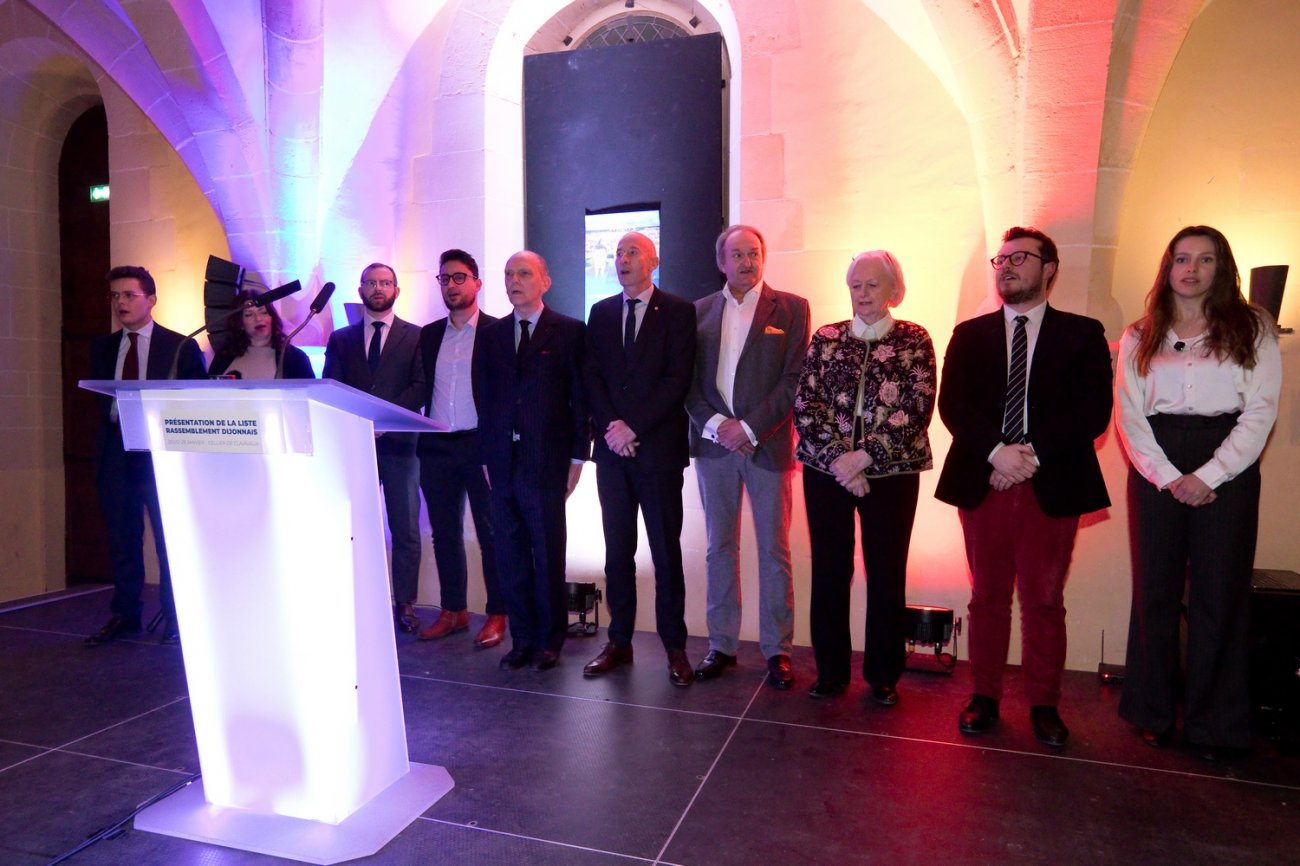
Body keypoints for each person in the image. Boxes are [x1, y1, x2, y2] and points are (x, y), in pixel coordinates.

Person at [935, 226, 1112, 749]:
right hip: (984, 479)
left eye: (1019, 258)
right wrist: (997, 453)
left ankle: (1044, 704)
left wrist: (1027, 455)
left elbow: (1092, 412)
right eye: (1001, 259)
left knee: (1044, 600)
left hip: (1051, 483)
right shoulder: (969, 334)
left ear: (1049, 269)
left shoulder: (1083, 334)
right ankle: (984, 697)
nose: (1006, 266)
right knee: (987, 597)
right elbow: (954, 406)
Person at [1115, 226, 1281, 755]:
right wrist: (1168, 476)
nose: (1191, 269)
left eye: (1205, 259)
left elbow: (1261, 410)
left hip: (1228, 459)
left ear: (1221, 267)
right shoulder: (1141, 333)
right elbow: (1129, 414)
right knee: (1155, 592)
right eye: (1182, 258)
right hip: (1157, 462)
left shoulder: (1253, 327)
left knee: (1219, 596)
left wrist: (1210, 475)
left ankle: (1214, 726)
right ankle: (1153, 712)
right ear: (1168, 267)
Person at [793, 251, 935, 703]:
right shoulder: (826, 337)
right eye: (856, 285)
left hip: (892, 474)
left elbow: (916, 406)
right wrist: (842, 461)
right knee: (829, 570)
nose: (863, 293)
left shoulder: (914, 338)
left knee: (887, 571)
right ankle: (830, 671)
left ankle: (883, 675)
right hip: (827, 471)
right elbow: (806, 405)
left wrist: (864, 457)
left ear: (894, 290)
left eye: (873, 284)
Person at [685, 224, 810, 689]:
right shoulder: (697, 312)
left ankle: (778, 650)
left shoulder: (792, 308)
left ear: (763, 257)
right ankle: (721, 644)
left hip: (767, 445)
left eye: (753, 252)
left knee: (774, 549)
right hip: (714, 445)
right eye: (736, 254)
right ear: (722, 262)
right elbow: (687, 383)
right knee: (719, 547)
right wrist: (720, 426)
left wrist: (750, 428)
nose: (746, 261)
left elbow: (794, 380)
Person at [582, 232, 698, 686]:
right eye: (618, 253)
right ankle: (619, 641)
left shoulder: (679, 311)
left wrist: (633, 427)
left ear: (654, 261)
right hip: (613, 455)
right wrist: (613, 428)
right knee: (617, 553)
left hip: (658, 454)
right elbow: (592, 377)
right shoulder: (601, 312)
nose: (623, 260)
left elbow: (677, 379)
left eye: (632, 253)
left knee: (666, 553)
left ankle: (675, 647)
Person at [475, 251, 590, 671]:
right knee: (510, 556)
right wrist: (487, 455)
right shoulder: (491, 335)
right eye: (509, 274)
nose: (514, 281)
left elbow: (581, 399)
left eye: (524, 273)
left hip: (546, 461)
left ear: (545, 281)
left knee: (546, 553)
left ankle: (549, 639)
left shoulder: (570, 331)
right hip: (501, 462)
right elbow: (484, 398)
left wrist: (577, 457)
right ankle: (522, 638)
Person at [85, 265, 207, 646]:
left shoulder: (180, 347)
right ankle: (125, 615)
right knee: (122, 538)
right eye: (114, 296)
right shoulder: (102, 347)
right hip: (116, 451)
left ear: (151, 300)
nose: (120, 302)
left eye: (128, 295)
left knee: (170, 539)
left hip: (162, 453)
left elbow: (196, 400)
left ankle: (176, 617)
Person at [323, 262, 426, 634]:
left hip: (400, 446)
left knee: (405, 529)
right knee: (354, 527)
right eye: (371, 282)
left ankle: (405, 603)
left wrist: (382, 419)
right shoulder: (341, 339)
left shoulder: (417, 336)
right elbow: (331, 387)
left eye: (385, 283)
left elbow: (420, 387)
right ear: (360, 290)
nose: (378, 288)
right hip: (355, 444)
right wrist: (362, 421)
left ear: (397, 290)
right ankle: (358, 598)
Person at [416, 249, 507, 649]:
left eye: (459, 278)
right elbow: (419, 387)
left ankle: (498, 612)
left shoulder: (497, 332)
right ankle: (453, 610)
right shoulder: (428, 334)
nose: (451, 285)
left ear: (476, 283)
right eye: (444, 279)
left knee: (492, 532)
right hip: (436, 445)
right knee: (444, 532)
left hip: (480, 445)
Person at [208, 288, 315, 379]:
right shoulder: (223, 356)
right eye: (249, 315)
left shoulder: (295, 358)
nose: (258, 319)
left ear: (272, 317)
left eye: (263, 312)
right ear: (240, 323)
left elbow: (310, 395)